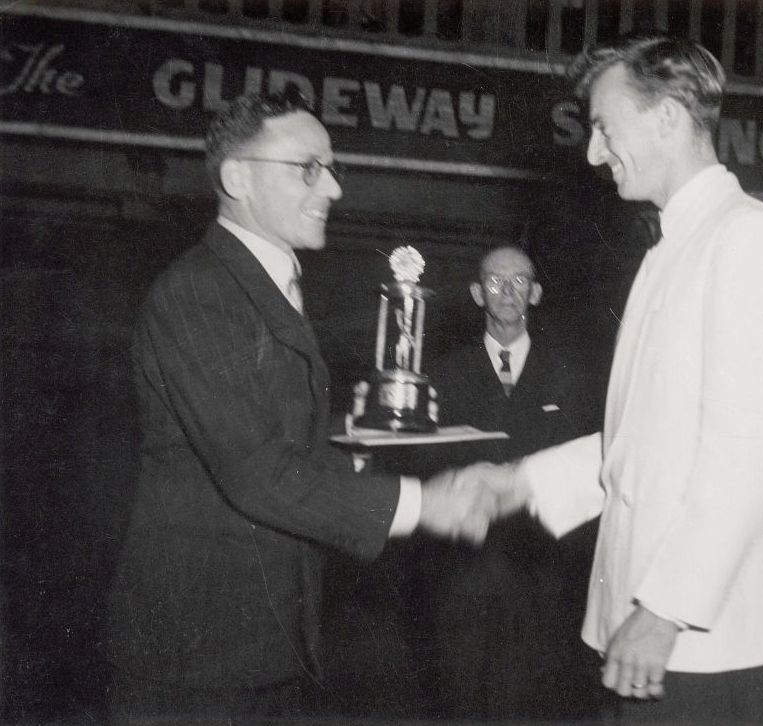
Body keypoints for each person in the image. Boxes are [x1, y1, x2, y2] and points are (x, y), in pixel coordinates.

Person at [105, 90, 492, 723]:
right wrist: (426, 504)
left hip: (265, 644)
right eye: (309, 168)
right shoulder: (201, 293)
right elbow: (258, 472)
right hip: (197, 660)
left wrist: (359, 446)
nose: (333, 188)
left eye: (332, 167)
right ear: (238, 178)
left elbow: (282, 443)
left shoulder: (264, 282)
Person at [476, 35, 763, 723]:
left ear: (666, 117)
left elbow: (756, 450)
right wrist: (521, 482)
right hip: (646, 626)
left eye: (605, 127)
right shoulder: (674, 247)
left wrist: (665, 609)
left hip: (696, 637)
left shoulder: (746, 239)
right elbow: (649, 439)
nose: (593, 152)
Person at [424, 245, 601, 718]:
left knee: (533, 700)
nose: (507, 290)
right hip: (464, 565)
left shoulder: (570, 372)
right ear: (477, 292)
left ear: (536, 293)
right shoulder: (442, 374)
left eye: (520, 280)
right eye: (495, 281)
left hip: (543, 565)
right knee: (461, 697)